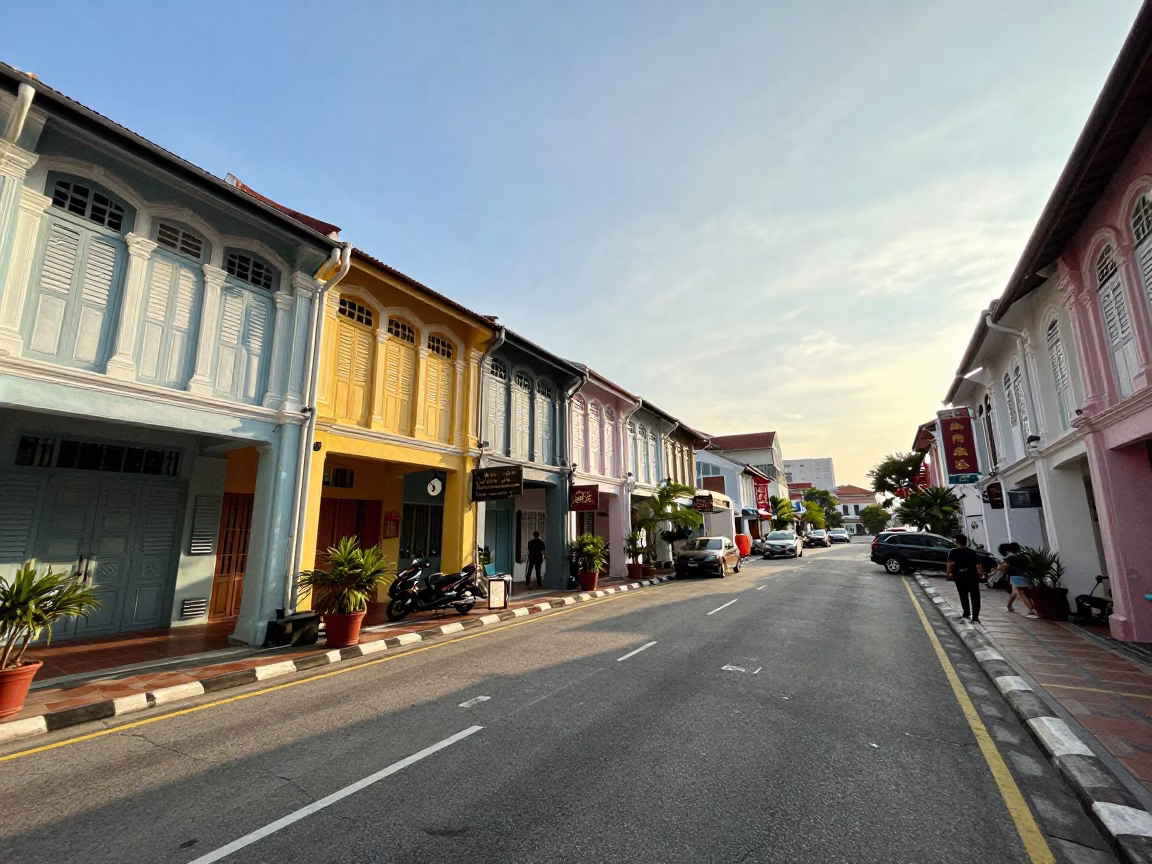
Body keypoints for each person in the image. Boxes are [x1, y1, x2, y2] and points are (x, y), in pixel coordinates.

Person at [946, 534, 984, 624]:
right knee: (975, 596)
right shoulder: (971, 551)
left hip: (959, 576)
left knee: (963, 595)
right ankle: (975, 617)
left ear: (956, 541)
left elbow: (950, 564)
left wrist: (948, 574)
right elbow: (978, 564)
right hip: (972, 576)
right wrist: (981, 574)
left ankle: (966, 613)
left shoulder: (953, 552)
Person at [998, 542, 1037, 618]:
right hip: (1026, 575)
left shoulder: (1009, 558)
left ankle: (1032, 610)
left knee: (1020, 593)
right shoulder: (1023, 556)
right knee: (1014, 593)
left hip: (1016, 576)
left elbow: (1003, 568)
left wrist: (999, 571)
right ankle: (1009, 606)